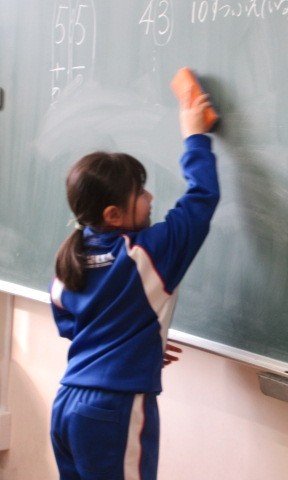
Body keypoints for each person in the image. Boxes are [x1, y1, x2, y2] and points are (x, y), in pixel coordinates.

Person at [49, 90, 219, 479]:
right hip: (115, 409)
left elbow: (75, 327)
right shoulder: (146, 254)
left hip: (68, 404)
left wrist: (134, 343)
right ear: (113, 214)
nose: (150, 196)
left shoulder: (68, 262)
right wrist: (195, 135)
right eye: (140, 192)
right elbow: (201, 200)